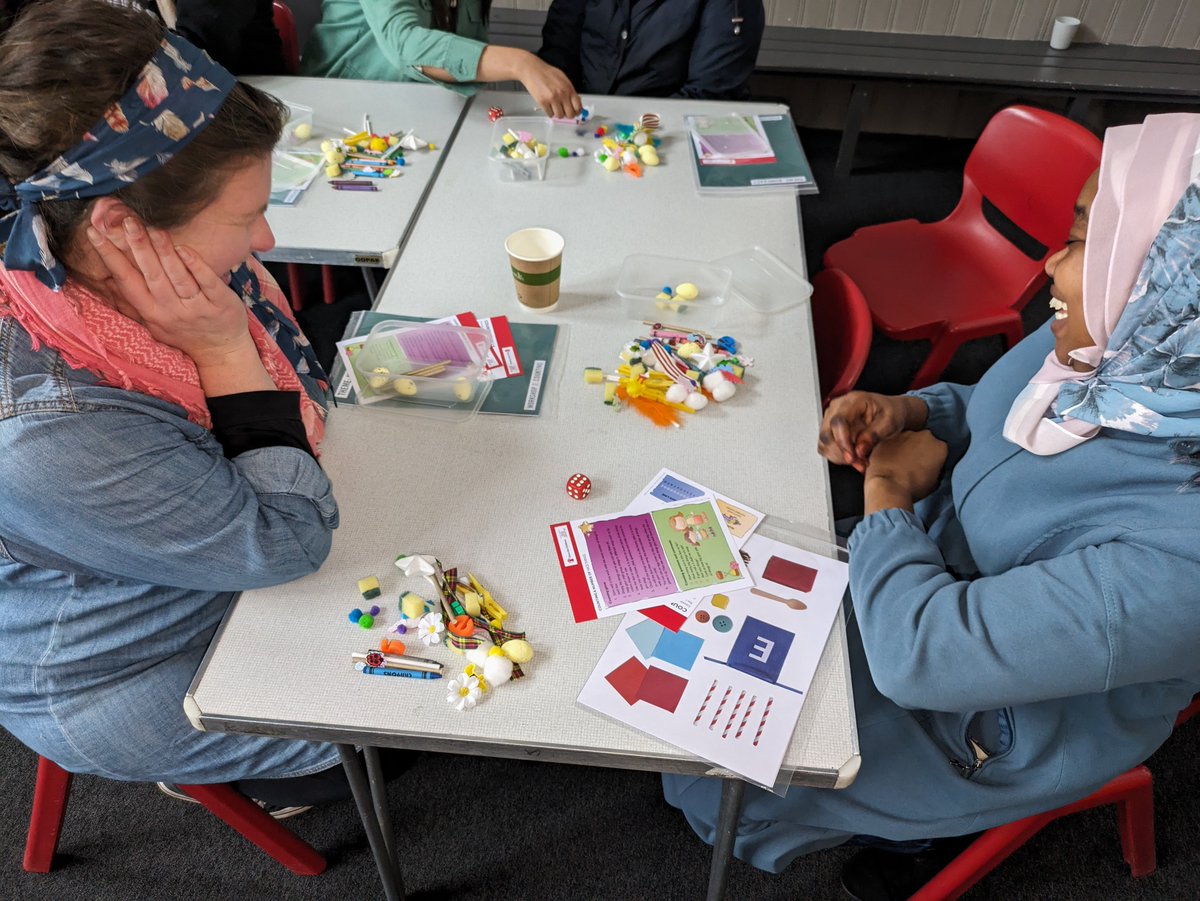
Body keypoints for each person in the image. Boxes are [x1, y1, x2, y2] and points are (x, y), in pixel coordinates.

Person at [662, 111, 1200, 898]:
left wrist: (887, 495)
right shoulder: (1132, 351)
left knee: (715, 781)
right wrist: (912, 413)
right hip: (924, 562)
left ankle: (931, 826)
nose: (1052, 262)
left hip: (992, 708)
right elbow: (1002, 402)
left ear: (1172, 280)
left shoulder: (1180, 553)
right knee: (699, 640)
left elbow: (924, 657)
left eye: (1087, 240)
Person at [0, 0, 354, 810]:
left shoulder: (107, 257)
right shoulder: (50, 435)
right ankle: (242, 777)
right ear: (120, 223)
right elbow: (286, 541)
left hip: (180, 565)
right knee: (384, 734)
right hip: (112, 672)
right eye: (245, 216)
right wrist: (226, 351)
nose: (265, 242)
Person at [301, 0, 582, 120]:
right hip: (344, 107)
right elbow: (405, 43)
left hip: (425, 112)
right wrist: (520, 63)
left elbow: (465, 47)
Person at [538, 0, 765, 99]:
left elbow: (710, 94)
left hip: (669, 141)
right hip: (585, 129)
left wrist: (631, 132)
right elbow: (558, 57)